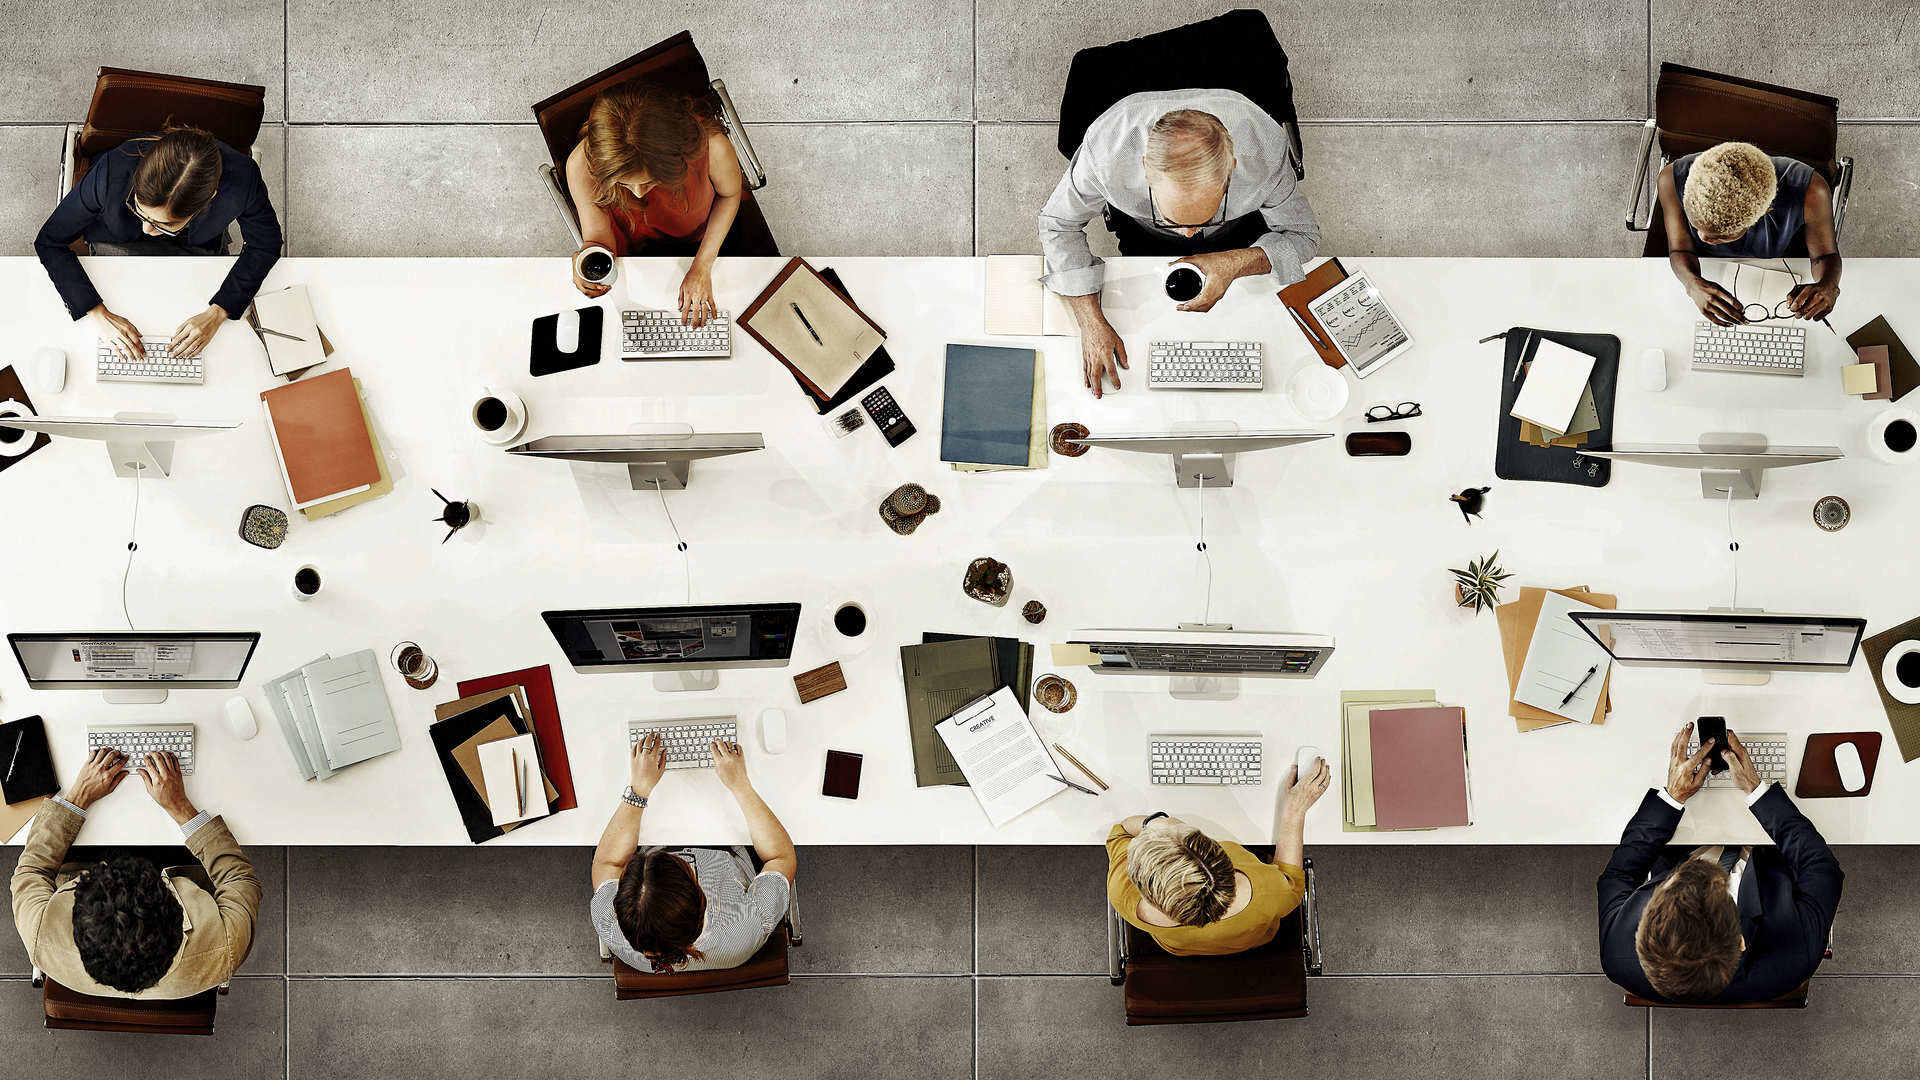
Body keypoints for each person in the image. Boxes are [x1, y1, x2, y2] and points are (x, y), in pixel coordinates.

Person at [1039, 89, 1320, 398]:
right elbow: (1057, 224)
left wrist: (1236, 262)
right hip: (1142, 233)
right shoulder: (1106, 154)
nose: (1188, 238)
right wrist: (1090, 321)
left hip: (1235, 232)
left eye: (1204, 217)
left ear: (1233, 168)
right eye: (1174, 219)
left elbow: (1303, 235)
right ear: (1144, 166)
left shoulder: (1264, 151)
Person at [1597, 721, 1843, 1004]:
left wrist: (1672, 797)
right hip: (1768, 850)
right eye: (1715, 888)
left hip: (1687, 832)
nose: (1697, 870)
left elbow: (1618, 875)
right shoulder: (1796, 953)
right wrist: (1756, 790)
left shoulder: (1618, 951)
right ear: (1739, 940)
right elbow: (1821, 866)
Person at [10, 749, 261, 999]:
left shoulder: (39, 934)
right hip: (179, 862)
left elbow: (32, 868)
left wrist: (79, 796)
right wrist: (181, 807)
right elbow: (238, 878)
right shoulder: (226, 946)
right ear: (178, 916)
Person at [34, 125, 283, 360]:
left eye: (165, 224)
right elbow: (49, 240)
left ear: (210, 199)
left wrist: (218, 312)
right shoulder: (111, 171)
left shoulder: (244, 179)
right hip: (117, 241)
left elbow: (266, 243)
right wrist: (96, 312)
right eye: (140, 210)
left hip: (197, 247)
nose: (147, 228)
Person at [565, 84, 774, 327]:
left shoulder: (713, 146)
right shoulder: (582, 166)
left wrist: (702, 266)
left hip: (704, 233)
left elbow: (729, 196)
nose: (638, 194)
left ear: (679, 158)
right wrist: (588, 257)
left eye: (650, 181)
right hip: (636, 250)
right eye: (624, 184)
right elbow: (599, 238)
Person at [589, 733, 797, 973]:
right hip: (726, 845)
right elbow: (781, 857)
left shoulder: (610, 924)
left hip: (656, 828)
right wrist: (740, 785)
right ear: (701, 897)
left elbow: (607, 863)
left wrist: (639, 790)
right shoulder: (746, 925)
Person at [1105, 755, 1331, 955]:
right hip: (1251, 940)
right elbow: (1293, 885)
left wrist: (1153, 822)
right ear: (1222, 857)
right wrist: (1295, 811)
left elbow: (1120, 832)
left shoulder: (1124, 894)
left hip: (1179, 947)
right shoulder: (1267, 890)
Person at [1656, 140, 1840, 327]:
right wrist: (1692, 284)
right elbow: (1679, 249)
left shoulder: (1812, 192)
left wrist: (1828, 284)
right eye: (1695, 225)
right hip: (1709, 271)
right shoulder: (1670, 180)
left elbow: (1826, 255)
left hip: (1778, 275)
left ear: (1765, 211)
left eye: (1721, 235)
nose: (1702, 238)